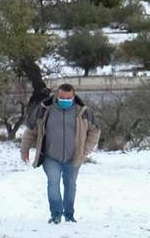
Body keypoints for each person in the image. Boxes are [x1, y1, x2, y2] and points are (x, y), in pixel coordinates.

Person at [19, 83, 100, 224]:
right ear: (57, 95)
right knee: (53, 183)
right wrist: (24, 149)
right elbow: (31, 130)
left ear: (73, 96)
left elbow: (95, 131)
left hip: (74, 157)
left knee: (70, 185)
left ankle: (69, 215)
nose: (65, 100)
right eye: (62, 97)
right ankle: (56, 214)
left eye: (68, 98)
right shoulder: (45, 109)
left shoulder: (83, 112)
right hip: (50, 157)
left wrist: (85, 151)